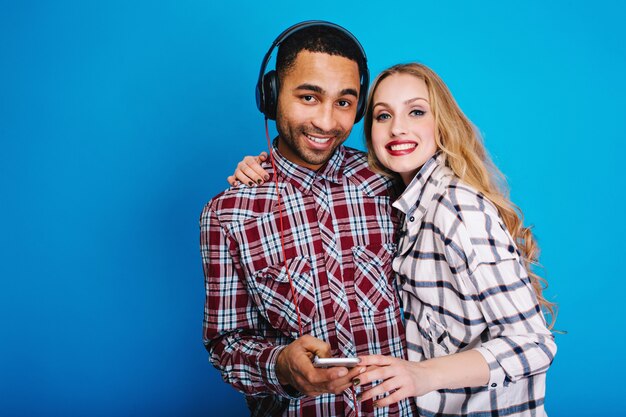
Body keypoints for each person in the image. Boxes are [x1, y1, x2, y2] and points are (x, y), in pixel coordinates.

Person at [231, 63, 557, 416]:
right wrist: (264, 170)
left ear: (442, 122)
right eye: (383, 116)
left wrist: (421, 375)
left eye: (416, 111)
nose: (398, 128)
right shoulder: (400, 197)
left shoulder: (457, 207)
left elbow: (534, 343)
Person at [200, 22, 415, 417]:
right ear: (271, 95)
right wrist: (281, 365)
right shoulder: (228, 214)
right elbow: (225, 344)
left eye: (345, 102)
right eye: (309, 97)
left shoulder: (390, 180)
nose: (327, 122)